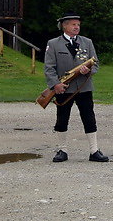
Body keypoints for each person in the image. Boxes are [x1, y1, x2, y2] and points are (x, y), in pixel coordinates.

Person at [44, 13, 108, 162]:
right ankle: (62, 150)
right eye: (73, 24)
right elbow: (49, 68)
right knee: (62, 119)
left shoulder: (87, 42)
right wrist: (55, 85)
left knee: (89, 118)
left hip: (84, 88)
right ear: (64, 26)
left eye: (78, 25)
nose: (76, 27)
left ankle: (94, 151)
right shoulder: (53, 43)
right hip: (63, 88)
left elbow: (95, 64)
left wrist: (89, 71)